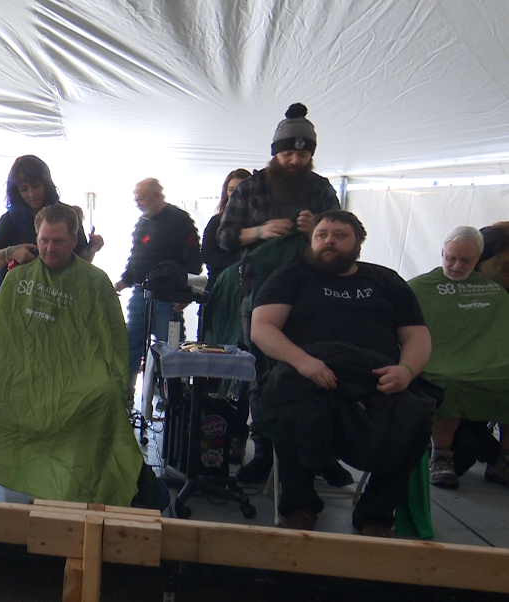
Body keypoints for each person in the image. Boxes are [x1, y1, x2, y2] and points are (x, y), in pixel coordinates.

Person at [0, 204, 145, 517]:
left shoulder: (95, 282)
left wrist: (115, 383)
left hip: (74, 375)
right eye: (44, 240)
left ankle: (65, 490)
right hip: (18, 370)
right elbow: (0, 338)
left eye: (58, 241)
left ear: (74, 241)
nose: (49, 248)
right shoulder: (18, 279)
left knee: (105, 398)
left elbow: (111, 340)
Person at [250, 211, 436, 536]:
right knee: (289, 399)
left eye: (339, 235)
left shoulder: (386, 280)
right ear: (311, 240)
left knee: (417, 416)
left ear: (358, 244)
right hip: (309, 372)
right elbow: (262, 328)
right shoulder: (292, 275)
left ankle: (375, 515)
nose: (328, 241)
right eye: (321, 234)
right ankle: (299, 506)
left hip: (375, 376)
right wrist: (303, 361)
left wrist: (406, 371)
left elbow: (417, 336)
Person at [215, 103, 342, 485]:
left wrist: (318, 229)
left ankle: (317, 452)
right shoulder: (252, 188)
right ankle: (265, 453)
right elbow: (223, 238)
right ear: (274, 153)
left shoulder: (321, 190)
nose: (294, 160)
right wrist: (258, 232)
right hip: (260, 293)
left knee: (315, 367)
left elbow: (345, 238)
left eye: (302, 154)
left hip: (313, 293)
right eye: (287, 153)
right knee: (260, 371)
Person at [408, 226, 509, 489]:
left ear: (478, 261)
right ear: (442, 252)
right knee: (447, 381)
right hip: (440, 361)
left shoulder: (494, 292)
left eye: (465, 260)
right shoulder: (419, 288)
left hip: (489, 360)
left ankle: (503, 461)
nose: (455, 265)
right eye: (450, 257)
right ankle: (441, 457)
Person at [114, 178, 201, 398]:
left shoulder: (180, 220)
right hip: (140, 294)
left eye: (141, 198)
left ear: (156, 194)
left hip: (167, 298)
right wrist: (122, 282)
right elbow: (135, 260)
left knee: (169, 351)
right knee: (131, 347)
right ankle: (124, 399)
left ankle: (172, 401)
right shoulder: (142, 222)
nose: (138, 204)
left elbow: (194, 260)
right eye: (135, 199)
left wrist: (187, 292)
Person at [0, 155, 103, 289]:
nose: (31, 194)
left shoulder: (68, 215)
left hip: (58, 291)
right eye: (24, 189)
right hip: (17, 294)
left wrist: (92, 249)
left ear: (46, 184)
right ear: (17, 192)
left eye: (36, 186)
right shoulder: (9, 220)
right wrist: (10, 253)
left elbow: (82, 260)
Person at [201, 169, 252, 288]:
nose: (236, 194)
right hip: (220, 284)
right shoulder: (216, 221)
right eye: (232, 189)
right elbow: (206, 255)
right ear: (226, 192)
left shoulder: (258, 222)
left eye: (241, 189)